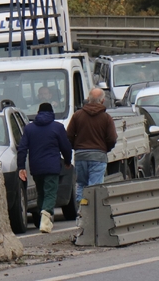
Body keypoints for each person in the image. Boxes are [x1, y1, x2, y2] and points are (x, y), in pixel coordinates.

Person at [18, 103, 72, 234]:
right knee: (50, 193)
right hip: (52, 165)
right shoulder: (57, 127)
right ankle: (46, 218)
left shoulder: (29, 128)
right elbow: (66, 146)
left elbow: (22, 148)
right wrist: (67, 161)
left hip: (36, 167)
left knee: (41, 192)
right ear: (52, 112)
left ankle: (43, 218)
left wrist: (21, 167)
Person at [66, 87, 117, 204]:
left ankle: (82, 210)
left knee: (82, 185)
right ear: (103, 101)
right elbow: (112, 138)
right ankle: (92, 214)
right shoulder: (106, 118)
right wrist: (105, 148)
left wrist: (77, 147)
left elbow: (68, 135)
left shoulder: (77, 115)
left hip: (80, 155)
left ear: (88, 99)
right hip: (98, 156)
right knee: (94, 188)